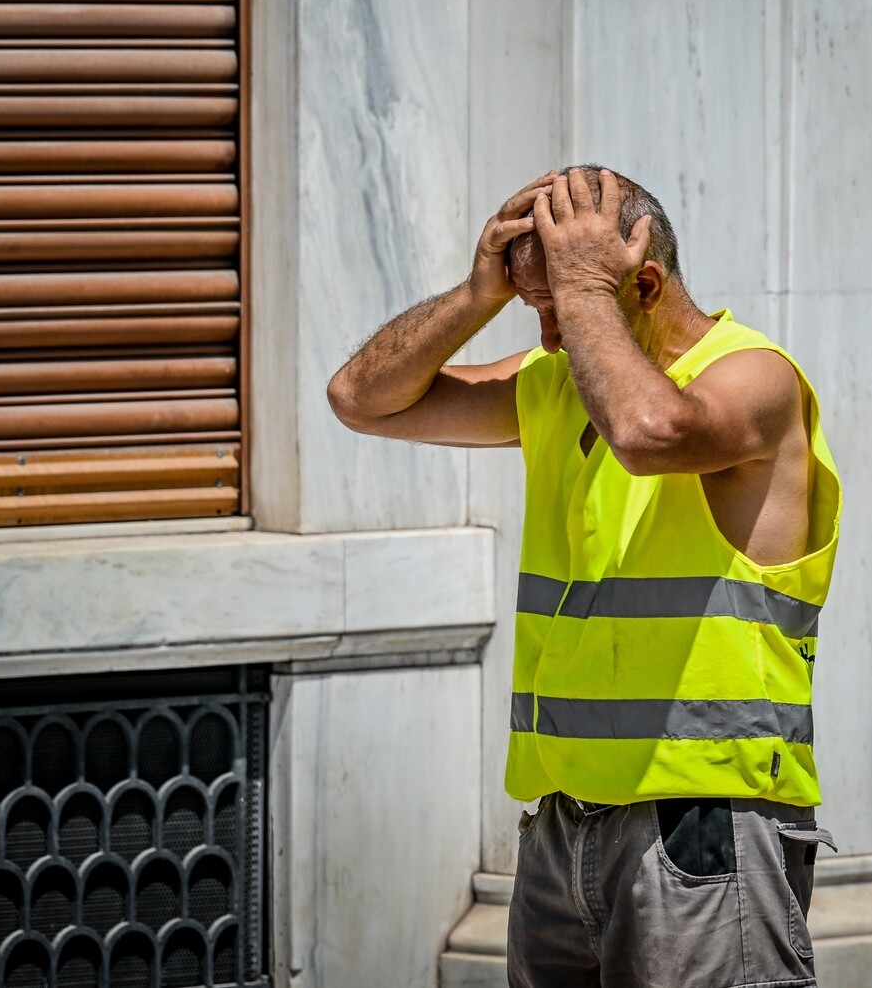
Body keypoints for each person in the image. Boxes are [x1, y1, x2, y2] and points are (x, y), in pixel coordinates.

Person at [328, 166, 842, 987]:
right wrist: (475, 297)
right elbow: (360, 398)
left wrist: (585, 293)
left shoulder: (755, 378)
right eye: (540, 314)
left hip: (703, 826)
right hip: (566, 828)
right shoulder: (558, 387)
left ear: (639, 282)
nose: (548, 340)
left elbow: (649, 432)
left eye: (557, 312)